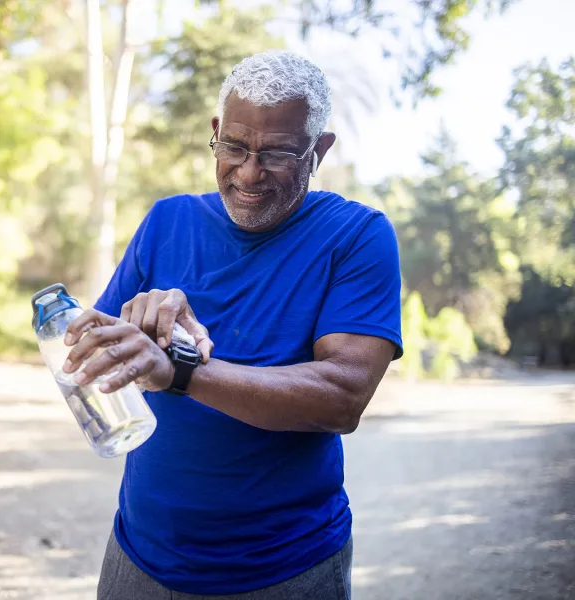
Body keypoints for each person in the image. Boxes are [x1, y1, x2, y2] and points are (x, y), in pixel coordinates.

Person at [62, 50, 403, 599]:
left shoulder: (357, 236)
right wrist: (128, 331)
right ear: (215, 132)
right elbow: (92, 350)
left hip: (286, 568)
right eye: (235, 147)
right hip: (139, 555)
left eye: (277, 154)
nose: (248, 173)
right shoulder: (167, 220)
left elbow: (342, 397)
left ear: (319, 150)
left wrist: (181, 369)